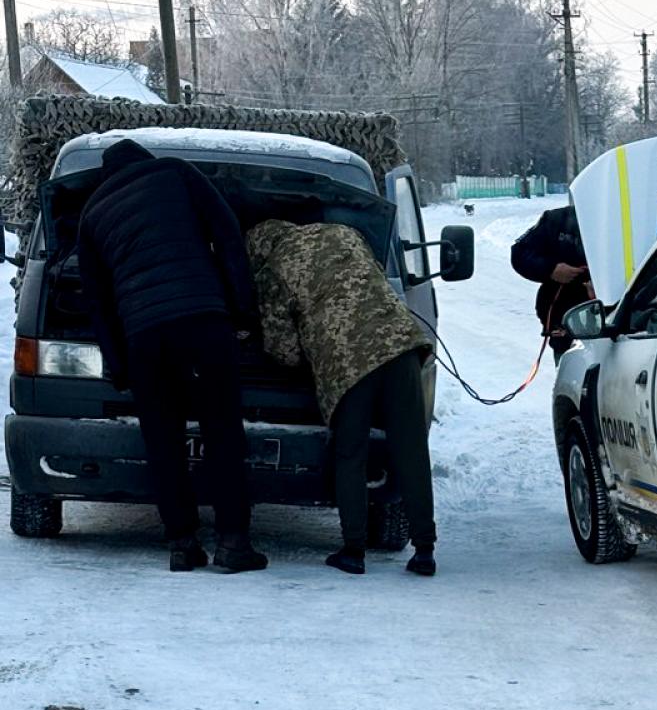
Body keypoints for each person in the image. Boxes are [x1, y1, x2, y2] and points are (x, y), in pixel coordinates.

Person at [76, 140, 267, 573]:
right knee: (221, 433)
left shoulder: (91, 215)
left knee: (163, 443)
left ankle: (183, 545)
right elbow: (227, 232)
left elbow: (98, 302)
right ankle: (233, 544)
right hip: (201, 321)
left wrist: (118, 364)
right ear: (144, 158)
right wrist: (243, 309)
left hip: (144, 337)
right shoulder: (176, 172)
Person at [245, 218, 437, 577]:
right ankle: (424, 550)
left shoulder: (273, 268)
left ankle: (354, 550)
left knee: (351, 453)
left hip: (350, 360)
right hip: (401, 344)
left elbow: (283, 349)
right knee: (410, 447)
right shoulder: (345, 232)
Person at [510, 205, 593, 363]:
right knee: (571, 382)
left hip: (618, 329)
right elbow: (520, 253)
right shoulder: (557, 220)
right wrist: (551, 269)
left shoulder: (624, 219)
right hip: (565, 331)